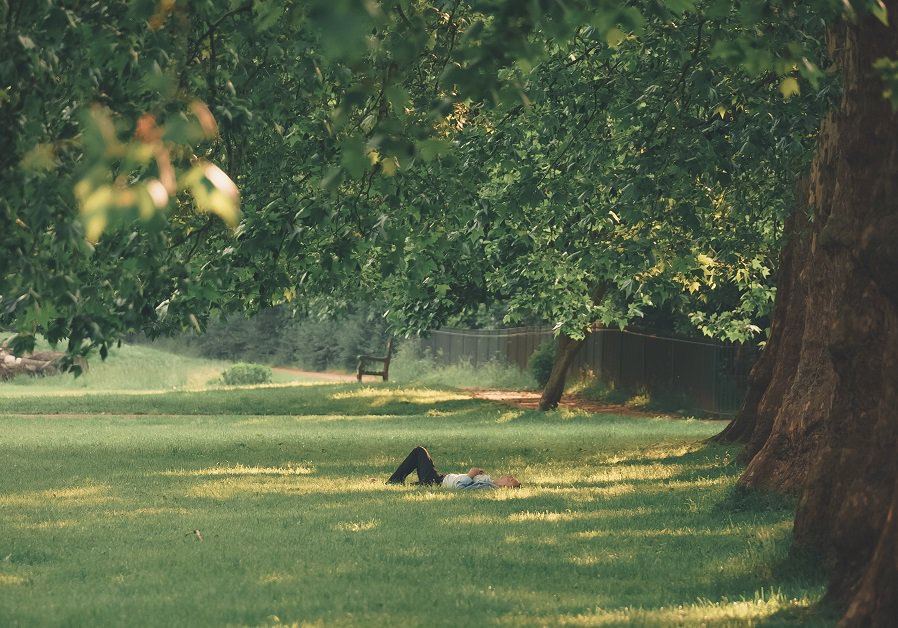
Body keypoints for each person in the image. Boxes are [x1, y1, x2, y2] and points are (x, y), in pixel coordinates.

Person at [386, 446, 521, 489]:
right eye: (512, 477)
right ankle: (394, 482)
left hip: (437, 482)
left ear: (506, 488)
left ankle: (394, 481)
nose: (510, 477)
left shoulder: (487, 487)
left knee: (419, 451)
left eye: (511, 481)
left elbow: (460, 487)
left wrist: (471, 474)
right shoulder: (489, 481)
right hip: (441, 479)